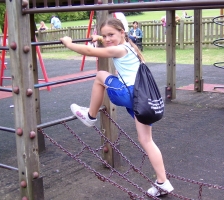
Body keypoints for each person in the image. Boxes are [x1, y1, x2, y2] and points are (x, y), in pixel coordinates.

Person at [60, 18, 174, 197]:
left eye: (111, 35)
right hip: (140, 97)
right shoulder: (130, 45)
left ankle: (90, 116)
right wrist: (99, 37)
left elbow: (90, 51)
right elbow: (108, 40)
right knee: (146, 140)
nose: (107, 39)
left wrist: (69, 43)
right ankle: (163, 182)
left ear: (122, 32)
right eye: (104, 36)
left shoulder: (119, 49)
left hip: (127, 93)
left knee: (100, 75)